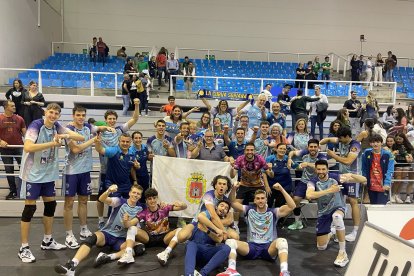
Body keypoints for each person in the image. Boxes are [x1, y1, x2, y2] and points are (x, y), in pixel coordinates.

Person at [18, 103, 84, 263]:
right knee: (29, 209)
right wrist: (52, 143)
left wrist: (64, 136)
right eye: (51, 112)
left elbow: (80, 137)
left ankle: (47, 240)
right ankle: (24, 248)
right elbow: (27, 147)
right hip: (33, 174)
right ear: (45, 112)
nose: (53, 116)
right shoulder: (36, 125)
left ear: (59, 116)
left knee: (50, 206)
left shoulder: (57, 126)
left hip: (48, 174)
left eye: (56, 114)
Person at [54, 184, 145, 274]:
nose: (135, 195)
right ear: (129, 193)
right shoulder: (120, 201)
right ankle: (72, 265)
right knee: (91, 239)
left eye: (138, 194)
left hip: (122, 239)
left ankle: (107, 257)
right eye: (134, 192)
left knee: (139, 248)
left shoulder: (141, 208)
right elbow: (101, 199)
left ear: (140, 196)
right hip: (108, 233)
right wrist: (108, 191)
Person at [63, 106, 115, 249]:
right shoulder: (67, 130)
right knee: (69, 203)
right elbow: (75, 149)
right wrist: (93, 140)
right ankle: (68, 234)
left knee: (84, 200)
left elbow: (99, 128)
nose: (81, 117)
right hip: (71, 171)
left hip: (85, 170)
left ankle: (84, 229)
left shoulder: (87, 126)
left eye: (83, 115)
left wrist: (108, 128)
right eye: (78, 115)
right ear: (73, 115)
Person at [217, 184, 295, 276]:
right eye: (258, 198)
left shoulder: (273, 212)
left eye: (262, 198)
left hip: (268, 247)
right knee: (230, 242)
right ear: (254, 200)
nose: (260, 200)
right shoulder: (249, 210)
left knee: (282, 241)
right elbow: (232, 202)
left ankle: (284, 272)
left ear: (266, 200)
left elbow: (292, 206)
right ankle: (231, 270)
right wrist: (233, 189)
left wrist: (281, 189)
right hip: (252, 247)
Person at [306, 160, 366, 268]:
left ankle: (343, 253)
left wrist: (351, 175)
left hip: (338, 208)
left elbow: (363, 180)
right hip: (323, 213)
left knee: (337, 217)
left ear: (327, 169)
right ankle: (332, 232)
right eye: (318, 169)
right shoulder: (312, 181)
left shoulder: (336, 177)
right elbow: (309, 195)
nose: (321, 171)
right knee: (321, 247)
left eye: (323, 169)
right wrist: (329, 190)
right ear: (315, 170)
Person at [96, 100, 140, 228]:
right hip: (106, 170)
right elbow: (98, 147)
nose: (111, 121)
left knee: (124, 199)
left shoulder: (120, 130)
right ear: (105, 120)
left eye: (114, 118)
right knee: (102, 197)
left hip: (120, 168)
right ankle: (101, 220)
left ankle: (125, 222)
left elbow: (135, 118)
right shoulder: (100, 131)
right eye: (109, 119)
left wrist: (136, 105)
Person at [319, 127, 361, 241]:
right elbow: (327, 140)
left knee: (353, 201)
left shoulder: (355, 145)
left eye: (341, 138)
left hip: (352, 176)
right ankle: (337, 228)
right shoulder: (340, 140)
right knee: (338, 201)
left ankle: (355, 231)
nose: (339, 140)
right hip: (341, 176)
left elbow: (348, 161)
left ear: (347, 137)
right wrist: (320, 143)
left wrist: (333, 155)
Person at [133, 188, 187, 266]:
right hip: (149, 238)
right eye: (149, 199)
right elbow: (130, 224)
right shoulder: (144, 212)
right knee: (132, 228)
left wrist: (181, 204)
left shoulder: (164, 207)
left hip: (165, 238)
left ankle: (166, 252)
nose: (152, 201)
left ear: (157, 198)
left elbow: (184, 207)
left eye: (154, 198)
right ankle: (128, 252)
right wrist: (125, 221)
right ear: (146, 201)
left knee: (179, 230)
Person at [229, 143, 273, 230]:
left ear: (254, 151)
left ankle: (264, 226)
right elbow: (232, 175)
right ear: (244, 151)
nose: (249, 152)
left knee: (264, 204)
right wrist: (232, 168)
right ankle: (235, 226)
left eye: (251, 150)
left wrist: (270, 170)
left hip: (258, 185)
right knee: (236, 205)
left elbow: (270, 175)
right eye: (247, 150)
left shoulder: (260, 159)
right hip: (244, 185)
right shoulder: (240, 159)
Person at [184, 200, 232, 276]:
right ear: (216, 207)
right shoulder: (208, 213)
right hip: (195, 249)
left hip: (208, 252)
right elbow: (200, 216)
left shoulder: (222, 224)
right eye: (222, 205)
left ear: (226, 213)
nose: (223, 209)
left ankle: (202, 274)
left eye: (226, 208)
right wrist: (216, 229)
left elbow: (219, 239)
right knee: (191, 244)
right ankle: (189, 274)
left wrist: (207, 231)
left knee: (227, 248)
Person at [287, 138, 326, 230]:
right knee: (295, 199)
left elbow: (320, 168)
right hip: (304, 181)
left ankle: (324, 222)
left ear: (318, 147)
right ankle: (298, 222)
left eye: (315, 147)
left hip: (318, 182)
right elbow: (292, 153)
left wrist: (307, 164)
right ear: (308, 147)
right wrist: (289, 159)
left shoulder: (322, 157)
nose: (313, 148)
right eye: (311, 147)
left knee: (324, 201)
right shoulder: (304, 152)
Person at [95, 132, 139, 199]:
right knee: (115, 204)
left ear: (130, 142)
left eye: (127, 142)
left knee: (128, 204)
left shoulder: (132, 154)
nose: (125, 143)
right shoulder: (113, 151)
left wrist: (136, 170)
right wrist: (98, 143)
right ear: (119, 141)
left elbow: (132, 168)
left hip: (126, 184)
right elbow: (100, 149)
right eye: (123, 141)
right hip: (112, 184)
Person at [0, 100, 26, 199]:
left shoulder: (20, 119)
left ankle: (24, 190)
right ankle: (13, 191)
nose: (14, 107)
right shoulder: (0, 118)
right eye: (12, 106)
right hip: (5, 149)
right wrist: (0, 142)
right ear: (6, 107)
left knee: (24, 169)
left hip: (19, 148)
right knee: (9, 170)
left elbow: (26, 134)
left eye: (14, 105)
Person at [361, 134, 395, 204]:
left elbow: (390, 170)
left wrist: (387, 183)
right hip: (371, 185)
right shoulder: (366, 153)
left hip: (383, 185)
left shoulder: (388, 154)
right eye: (373, 142)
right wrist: (364, 179)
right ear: (370, 143)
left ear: (381, 143)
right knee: (373, 206)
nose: (375, 144)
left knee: (381, 206)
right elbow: (363, 167)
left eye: (378, 142)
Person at [265, 143, 292, 208]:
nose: (282, 150)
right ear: (276, 149)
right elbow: (264, 173)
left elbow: (297, 166)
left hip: (285, 186)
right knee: (268, 204)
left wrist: (302, 165)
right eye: (280, 148)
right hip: (271, 186)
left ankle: (280, 218)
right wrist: (267, 186)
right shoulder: (269, 158)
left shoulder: (287, 159)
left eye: (284, 149)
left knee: (280, 206)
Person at [391, 132, 414, 204]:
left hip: (406, 164)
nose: (398, 140)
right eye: (397, 139)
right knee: (397, 179)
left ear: (404, 139)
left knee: (402, 180)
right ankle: (393, 195)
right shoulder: (394, 145)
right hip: (398, 164)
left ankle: (397, 195)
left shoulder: (408, 146)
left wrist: (408, 156)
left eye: (400, 139)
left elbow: (410, 154)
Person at [130, 131, 153, 200]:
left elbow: (148, 158)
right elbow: (132, 167)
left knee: (145, 196)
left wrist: (151, 157)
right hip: (136, 177)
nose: (138, 140)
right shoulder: (131, 150)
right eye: (136, 138)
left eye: (140, 138)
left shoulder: (145, 147)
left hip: (145, 175)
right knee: (136, 196)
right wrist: (135, 180)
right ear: (132, 140)